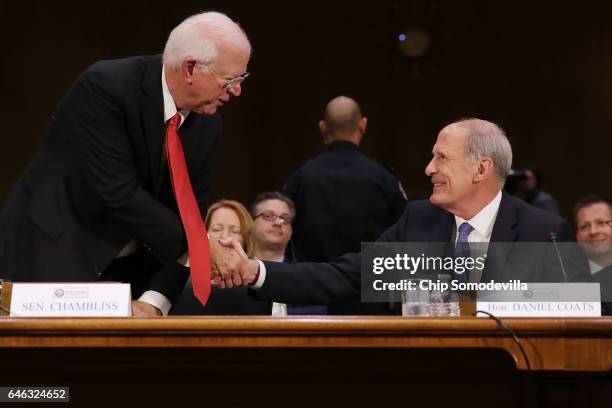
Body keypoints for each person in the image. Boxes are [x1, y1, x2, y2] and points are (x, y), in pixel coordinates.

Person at [0, 12, 252, 316]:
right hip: (51, 257)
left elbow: (189, 213)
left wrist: (155, 300)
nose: (237, 91)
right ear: (190, 69)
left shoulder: (208, 123)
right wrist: (203, 248)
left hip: (127, 275)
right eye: (230, 80)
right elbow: (119, 194)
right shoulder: (107, 87)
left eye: (241, 79)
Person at [212, 118, 589, 305]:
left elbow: (584, 308)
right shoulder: (419, 221)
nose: (428, 169)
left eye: (441, 157)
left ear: (481, 169)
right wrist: (254, 271)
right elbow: (344, 278)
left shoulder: (545, 231)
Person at [282, 96, 406, 314]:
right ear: (363, 125)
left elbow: (283, 229)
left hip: (311, 297)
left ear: (323, 128)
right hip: (370, 300)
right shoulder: (384, 179)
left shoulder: (301, 177)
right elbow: (405, 235)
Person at [171, 200, 271, 315]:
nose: (225, 236)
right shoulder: (178, 280)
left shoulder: (259, 287)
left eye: (234, 231)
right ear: (204, 235)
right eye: (216, 229)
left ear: (246, 241)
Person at [250, 191, 327, 315]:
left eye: (284, 219)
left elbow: (319, 312)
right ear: (251, 224)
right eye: (268, 216)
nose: (277, 223)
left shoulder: (305, 276)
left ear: (290, 231)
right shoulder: (235, 272)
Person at [573, 195, 612, 311]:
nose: (593, 231)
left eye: (601, 223)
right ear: (577, 236)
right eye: (584, 226)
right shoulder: (569, 279)